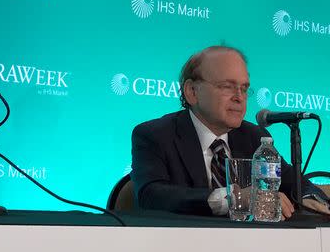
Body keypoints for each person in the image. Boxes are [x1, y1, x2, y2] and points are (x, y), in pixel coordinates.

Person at [131, 45, 316, 218]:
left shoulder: (255, 138)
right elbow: (151, 196)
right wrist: (233, 199)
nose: (239, 98)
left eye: (244, 89)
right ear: (192, 91)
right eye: (227, 86)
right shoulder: (155, 135)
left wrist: (310, 200)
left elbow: (296, 185)